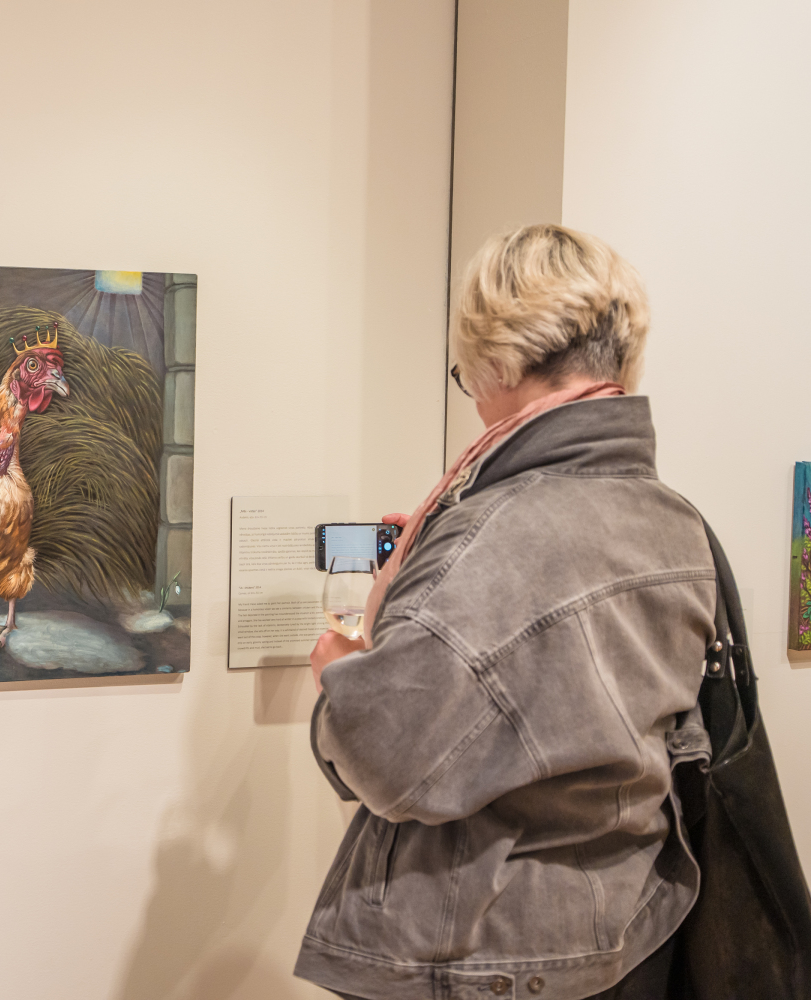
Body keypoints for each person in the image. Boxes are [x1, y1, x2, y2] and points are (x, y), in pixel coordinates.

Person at [295, 224, 714, 1000]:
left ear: (501, 359)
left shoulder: (489, 534)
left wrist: (339, 677)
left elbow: (384, 756)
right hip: (631, 924)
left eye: (467, 374)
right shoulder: (676, 520)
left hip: (484, 949)